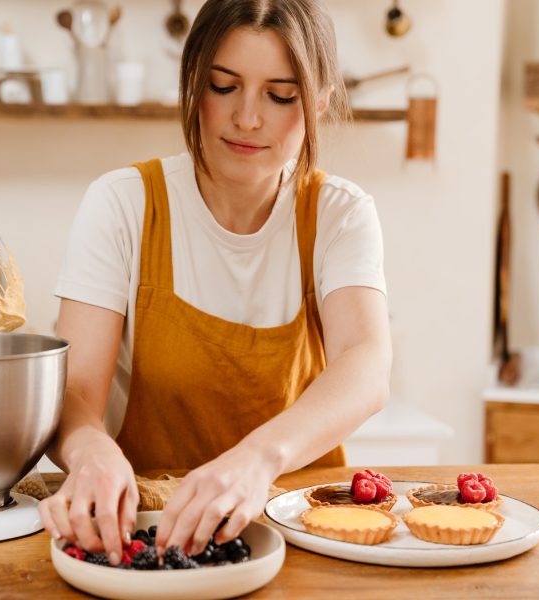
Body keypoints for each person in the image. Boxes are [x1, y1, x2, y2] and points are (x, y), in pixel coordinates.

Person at [39, 0, 392, 567]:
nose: (247, 118)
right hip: (146, 529)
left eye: (281, 96)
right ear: (192, 85)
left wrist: (257, 460)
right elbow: (75, 392)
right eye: (223, 86)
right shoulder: (124, 204)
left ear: (319, 104)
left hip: (297, 528)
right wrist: (88, 452)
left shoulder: (338, 213)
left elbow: (366, 364)